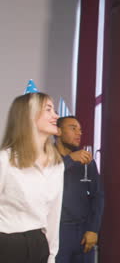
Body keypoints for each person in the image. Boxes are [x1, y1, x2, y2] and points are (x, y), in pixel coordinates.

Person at [0, 92, 64, 263]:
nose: (56, 116)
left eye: (54, 110)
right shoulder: (5, 160)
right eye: (48, 110)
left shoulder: (57, 164)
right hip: (7, 245)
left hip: (39, 245)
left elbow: (53, 215)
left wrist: (52, 256)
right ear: (29, 115)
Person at [55, 116, 104, 263]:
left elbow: (98, 196)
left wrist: (93, 229)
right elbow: (46, 174)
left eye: (80, 129)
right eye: (73, 128)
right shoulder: (46, 156)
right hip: (57, 231)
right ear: (58, 131)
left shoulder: (87, 161)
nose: (79, 133)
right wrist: (70, 160)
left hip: (83, 232)